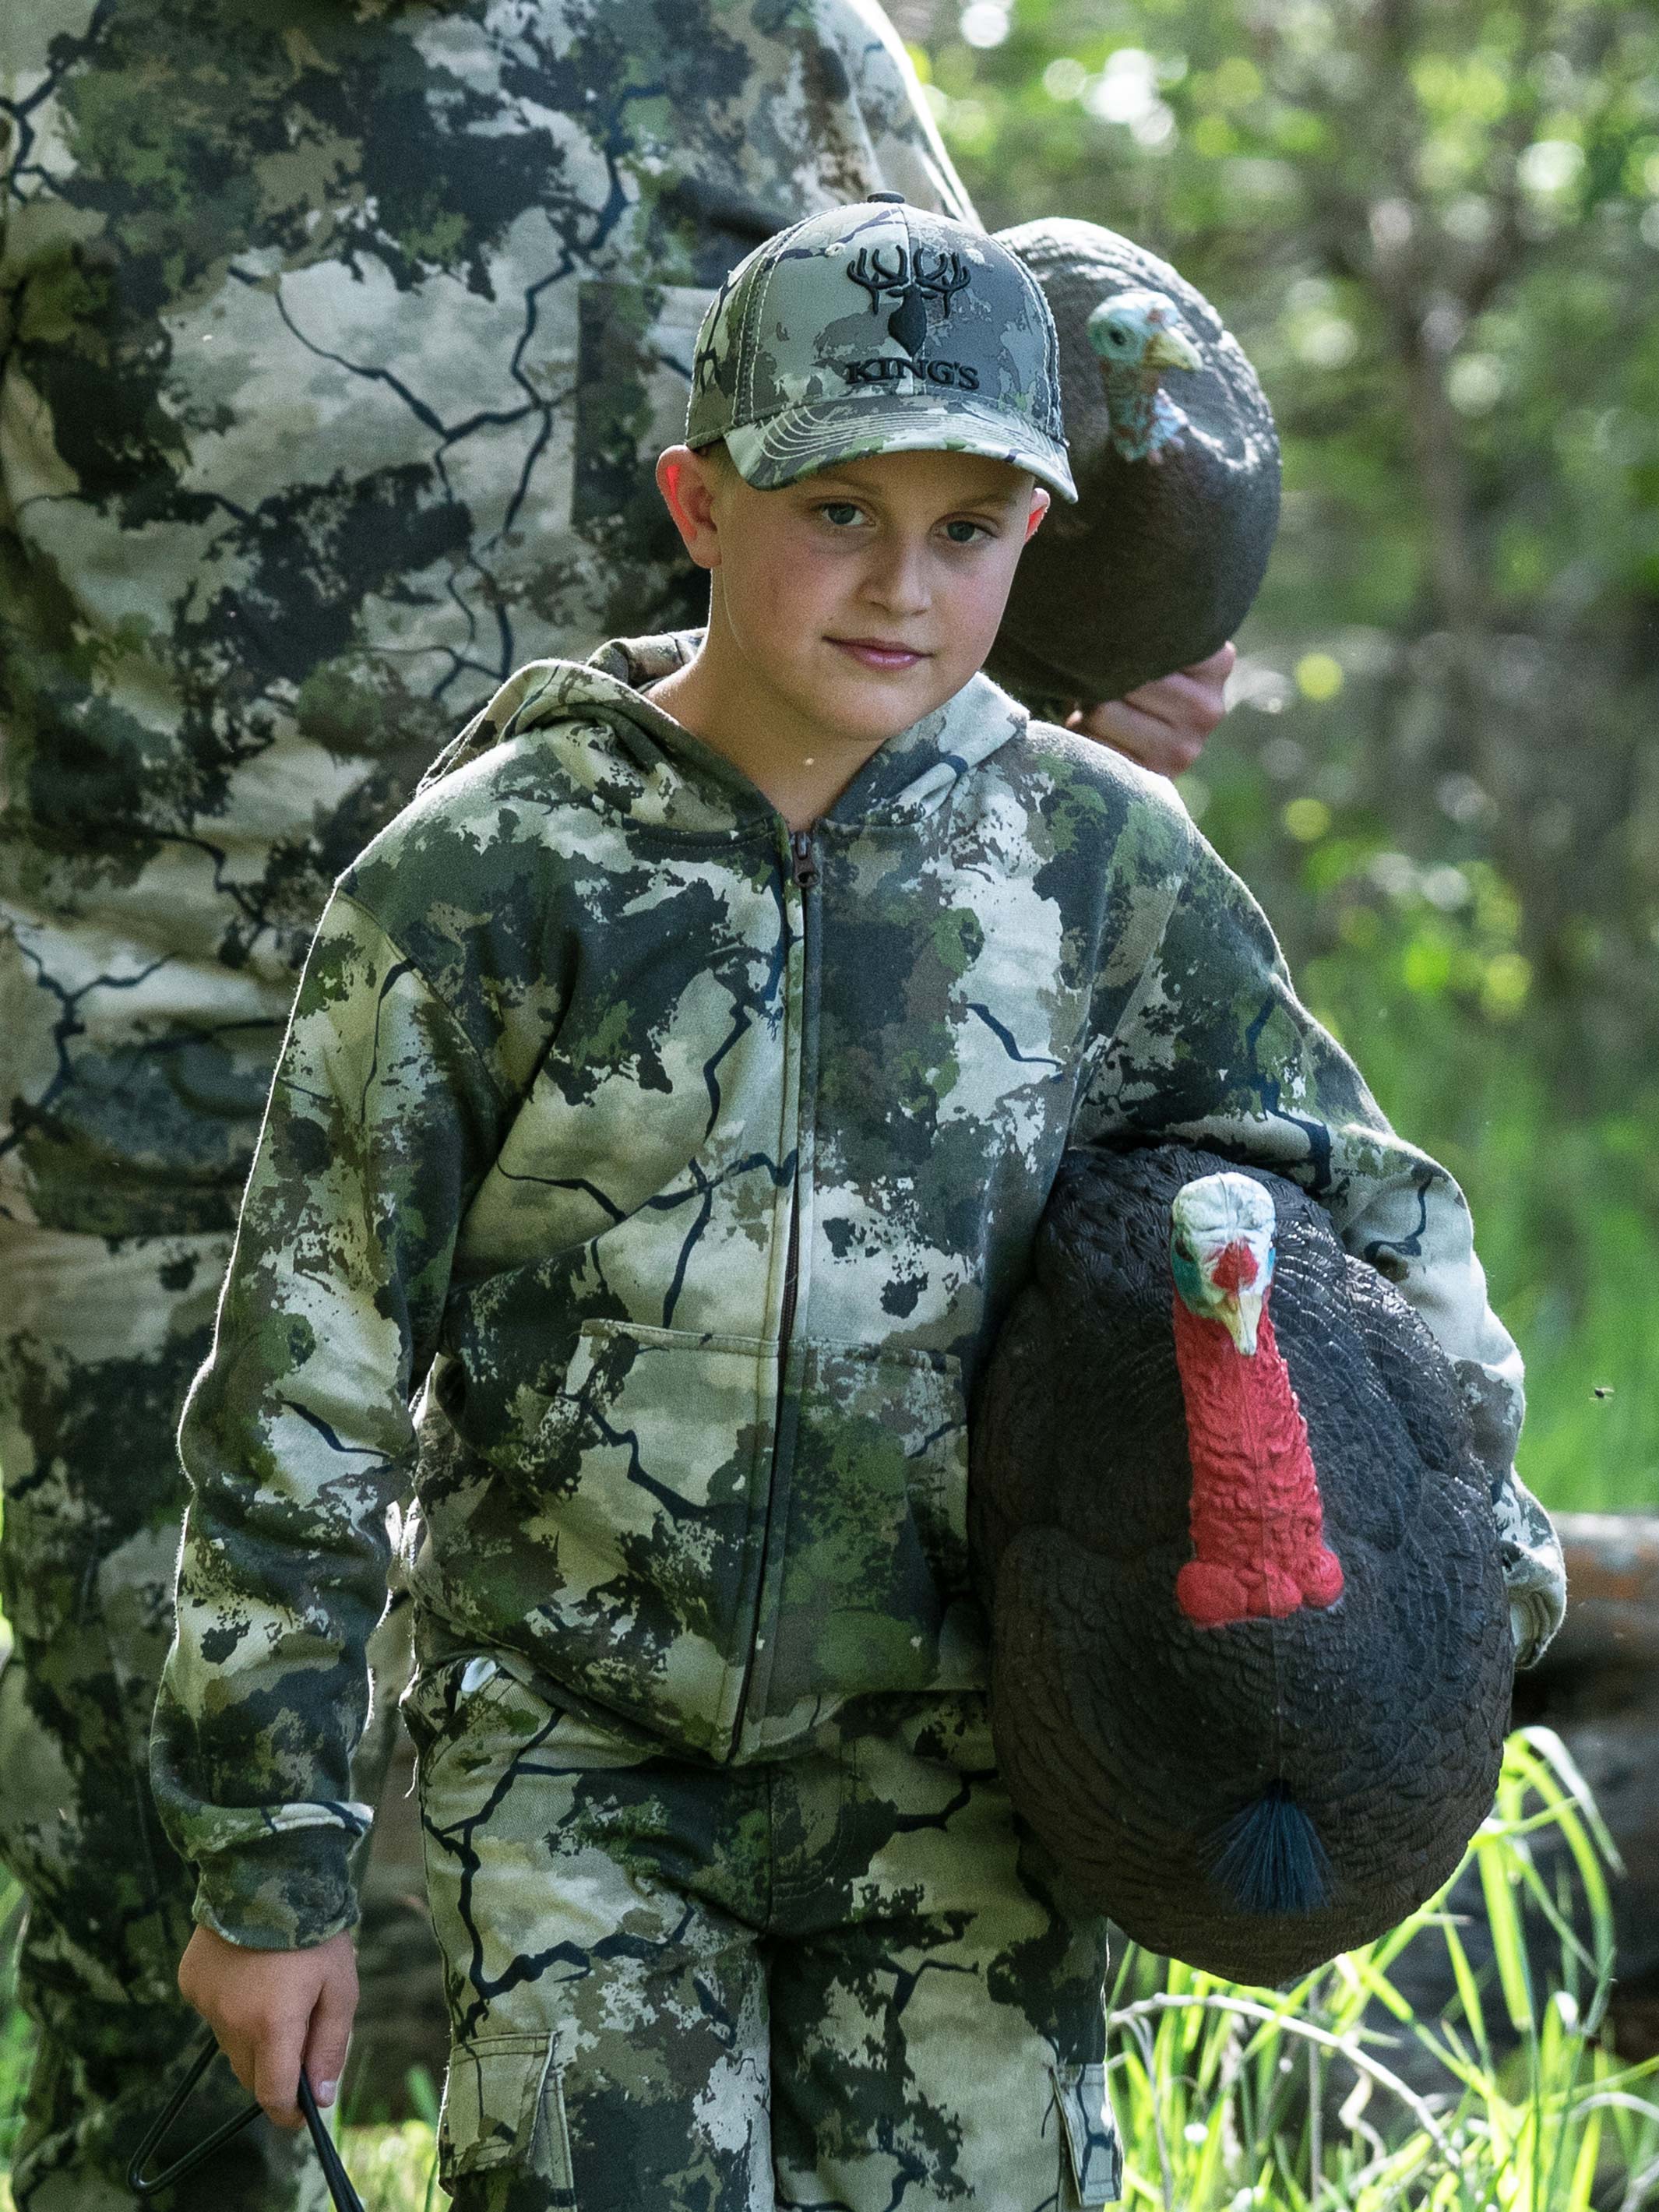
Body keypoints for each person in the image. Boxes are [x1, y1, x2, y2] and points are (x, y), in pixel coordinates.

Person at [153, 197, 1565, 2212]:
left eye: (972, 532)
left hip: (968, 1784)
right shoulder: (486, 884)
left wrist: (1462, 1607)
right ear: (698, 500)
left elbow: (1363, 1216)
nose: (904, 587)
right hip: (575, 1780)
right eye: (836, 511)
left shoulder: (1093, 865)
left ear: (1033, 544)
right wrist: (266, 1862)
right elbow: (304, 1381)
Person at [0, 9, 1230, 2205]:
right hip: (126, 1061)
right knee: (157, 1895)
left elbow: (970, 386)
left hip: (673, 1057)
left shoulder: (762, 27)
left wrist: (1112, 631)